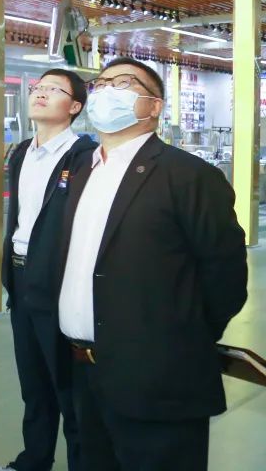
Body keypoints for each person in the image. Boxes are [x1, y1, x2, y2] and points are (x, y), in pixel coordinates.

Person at [56, 57, 248, 471]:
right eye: (101, 83)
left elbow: (226, 277)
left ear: (154, 106)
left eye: (123, 83)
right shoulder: (83, 170)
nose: (107, 91)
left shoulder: (189, 176)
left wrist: (179, 337)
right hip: (84, 370)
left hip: (158, 378)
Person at [0, 70, 96, 471]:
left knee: (68, 388)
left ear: (75, 106)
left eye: (54, 89)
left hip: (59, 281)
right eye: (38, 88)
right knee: (33, 382)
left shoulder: (84, 157)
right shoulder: (21, 153)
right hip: (20, 278)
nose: (41, 93)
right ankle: (33, 460)